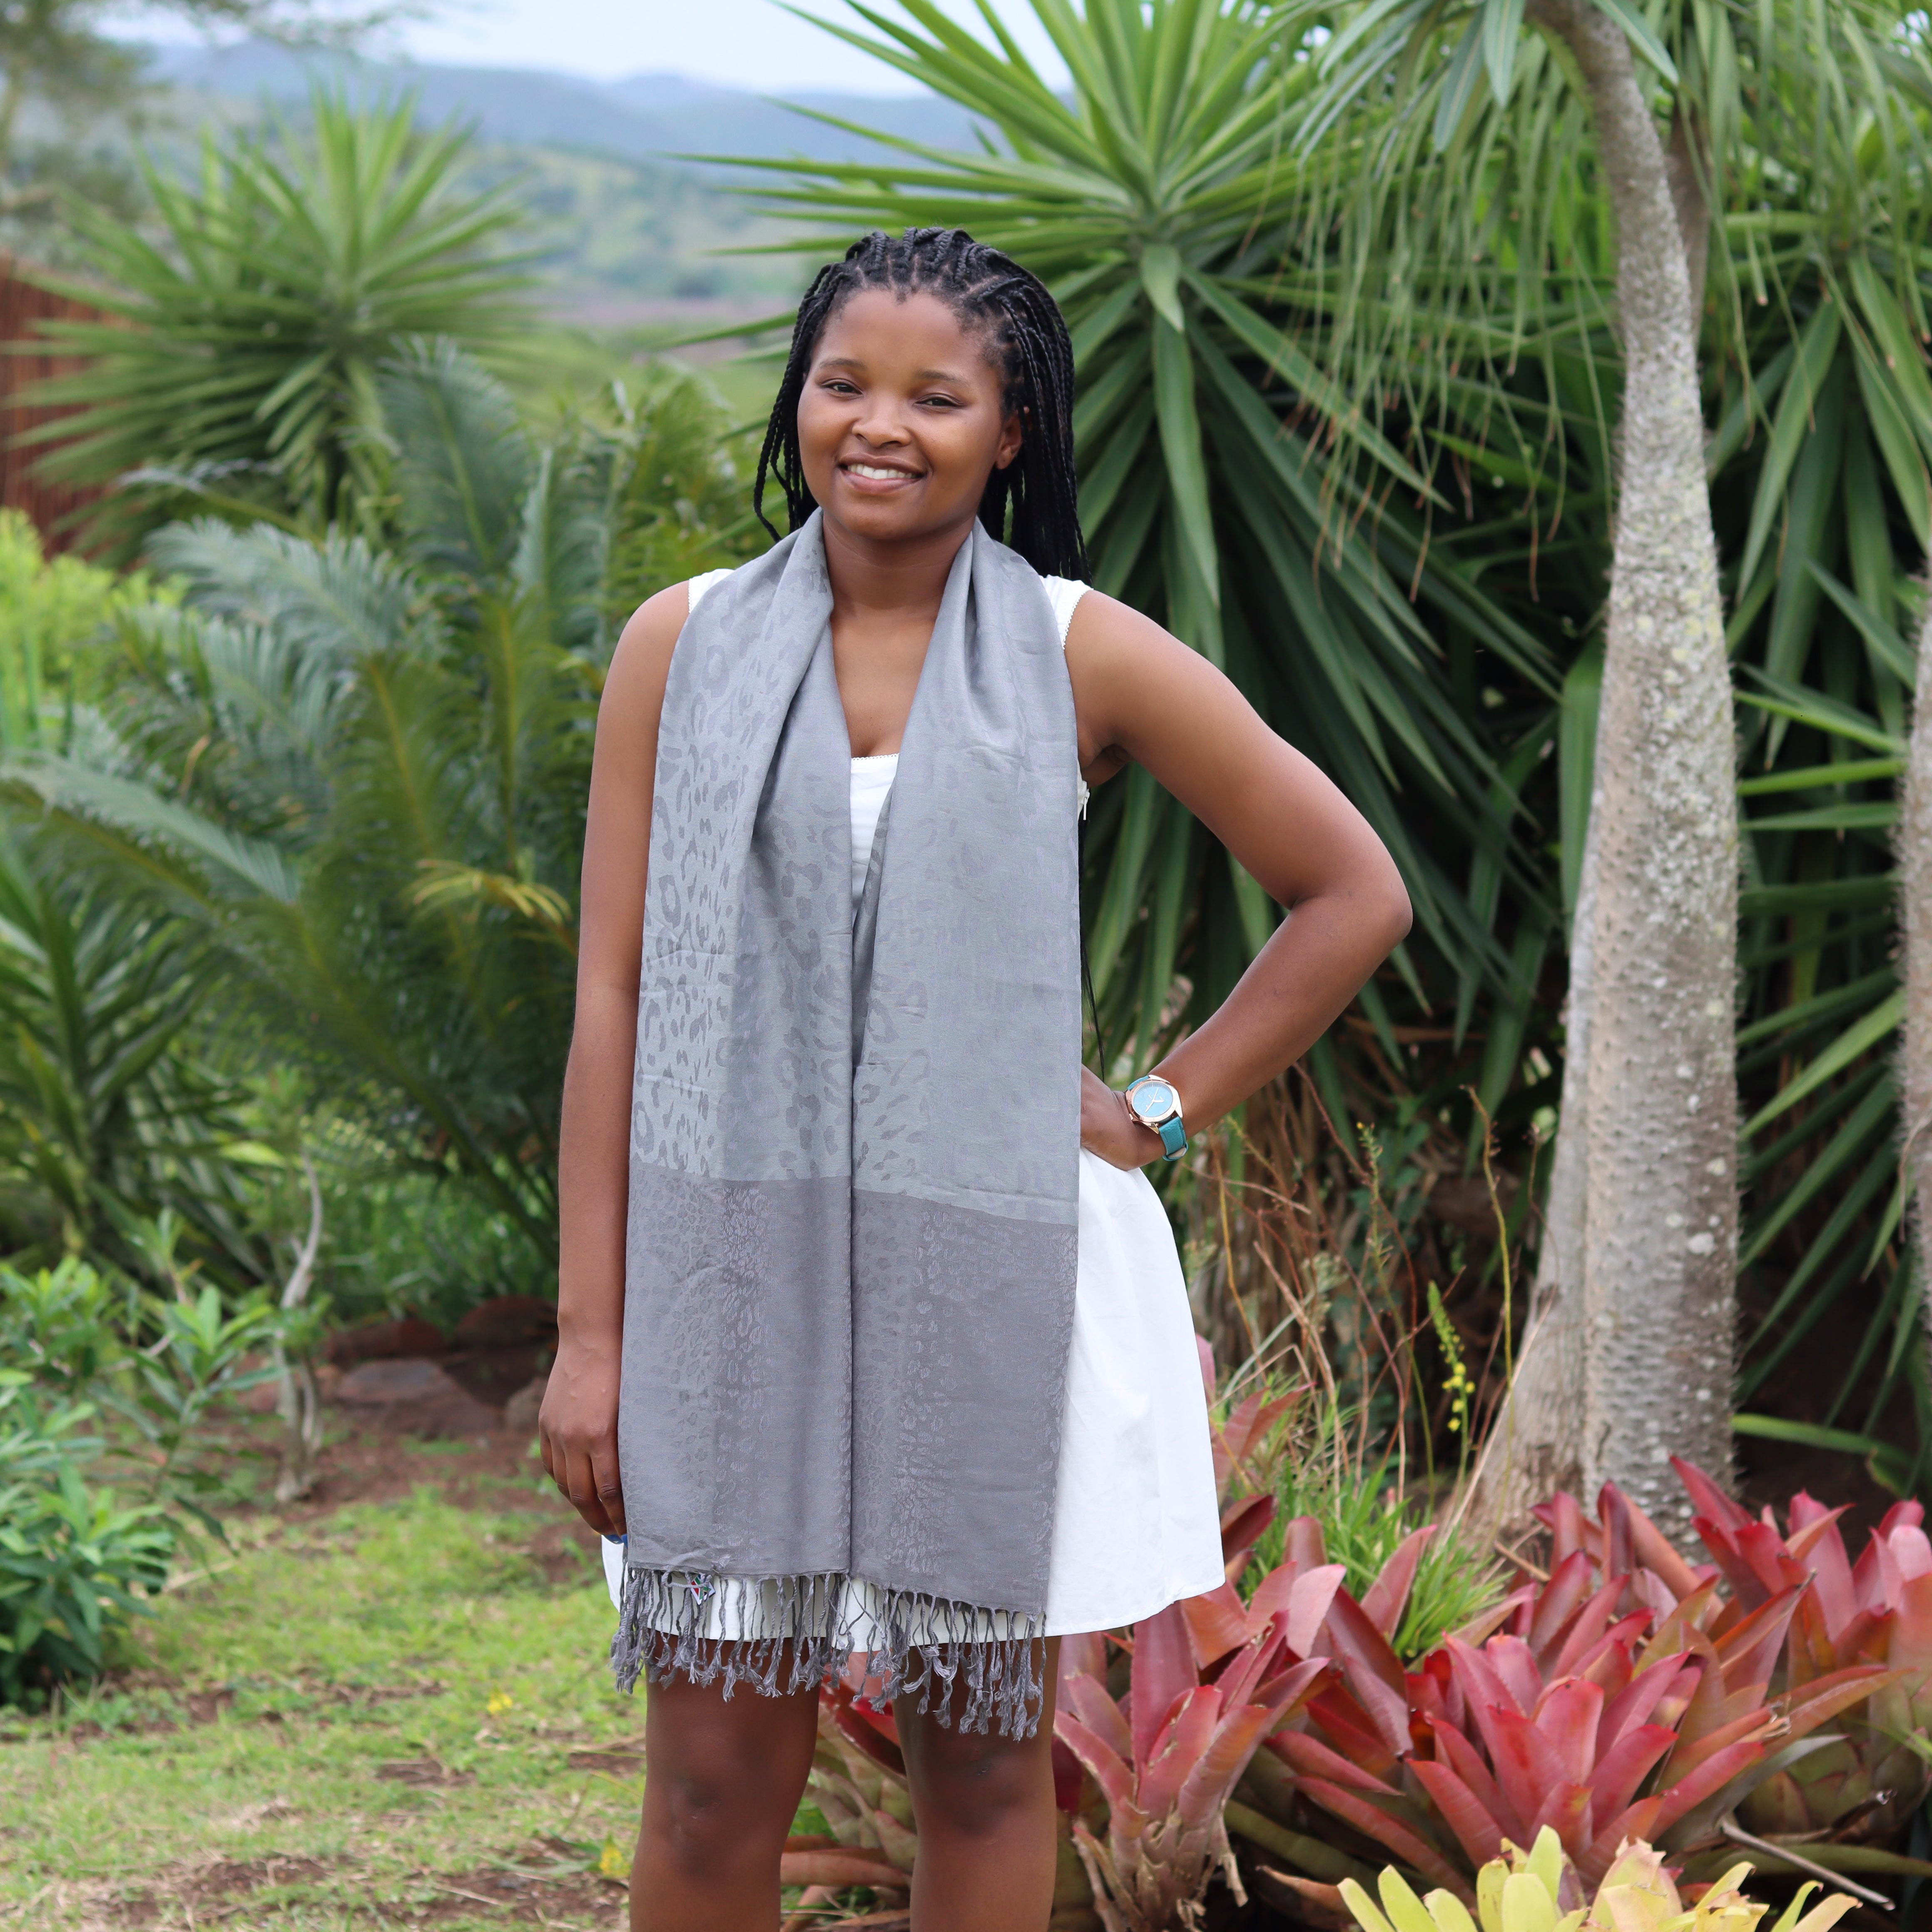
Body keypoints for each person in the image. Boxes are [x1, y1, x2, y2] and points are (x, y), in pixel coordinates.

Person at [539, 227, 1411, 1932]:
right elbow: (613, 985)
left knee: (987, 1769)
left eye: (936, 395)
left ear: (1007, 432)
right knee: (713, 1778)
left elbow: (1349, 888)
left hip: (992, 1279)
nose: (879, 422)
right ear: (797, 397)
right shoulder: (685, 641)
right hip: (732, 1281)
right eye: (843, 381)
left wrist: (1157, 1107)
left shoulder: (1079, 648)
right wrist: (589, 1334)